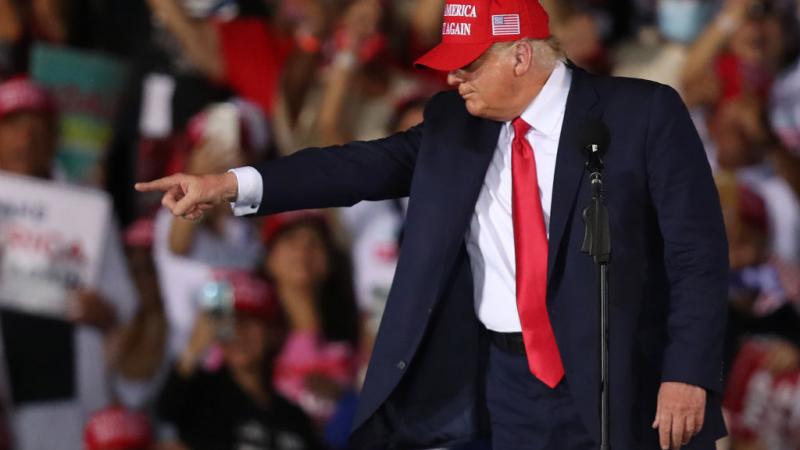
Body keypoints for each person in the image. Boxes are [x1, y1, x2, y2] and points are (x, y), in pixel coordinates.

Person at [136, 1, 729, 449]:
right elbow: (357, 167)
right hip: (504, 380)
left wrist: (687, 374)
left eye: (467, 64)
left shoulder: (642, 114)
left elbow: (696, 258)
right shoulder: (455, 125)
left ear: (520, 54)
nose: (452, 79)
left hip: (623, 379)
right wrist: (229, 184)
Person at [0, 78, 136, 450]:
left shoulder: (88, 210)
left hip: (69, 403)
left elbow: (124, 309)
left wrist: (103, 312)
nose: (25, 139)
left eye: (37, 127)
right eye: (12, 126)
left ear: (55, 137)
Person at [156, 270, 320, 450]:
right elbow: (167, 409)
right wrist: (196, 346)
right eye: (230, 324)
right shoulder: (202, 396)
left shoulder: (294, 417)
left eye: (250, 323)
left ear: (271, 332)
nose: (239, 333)